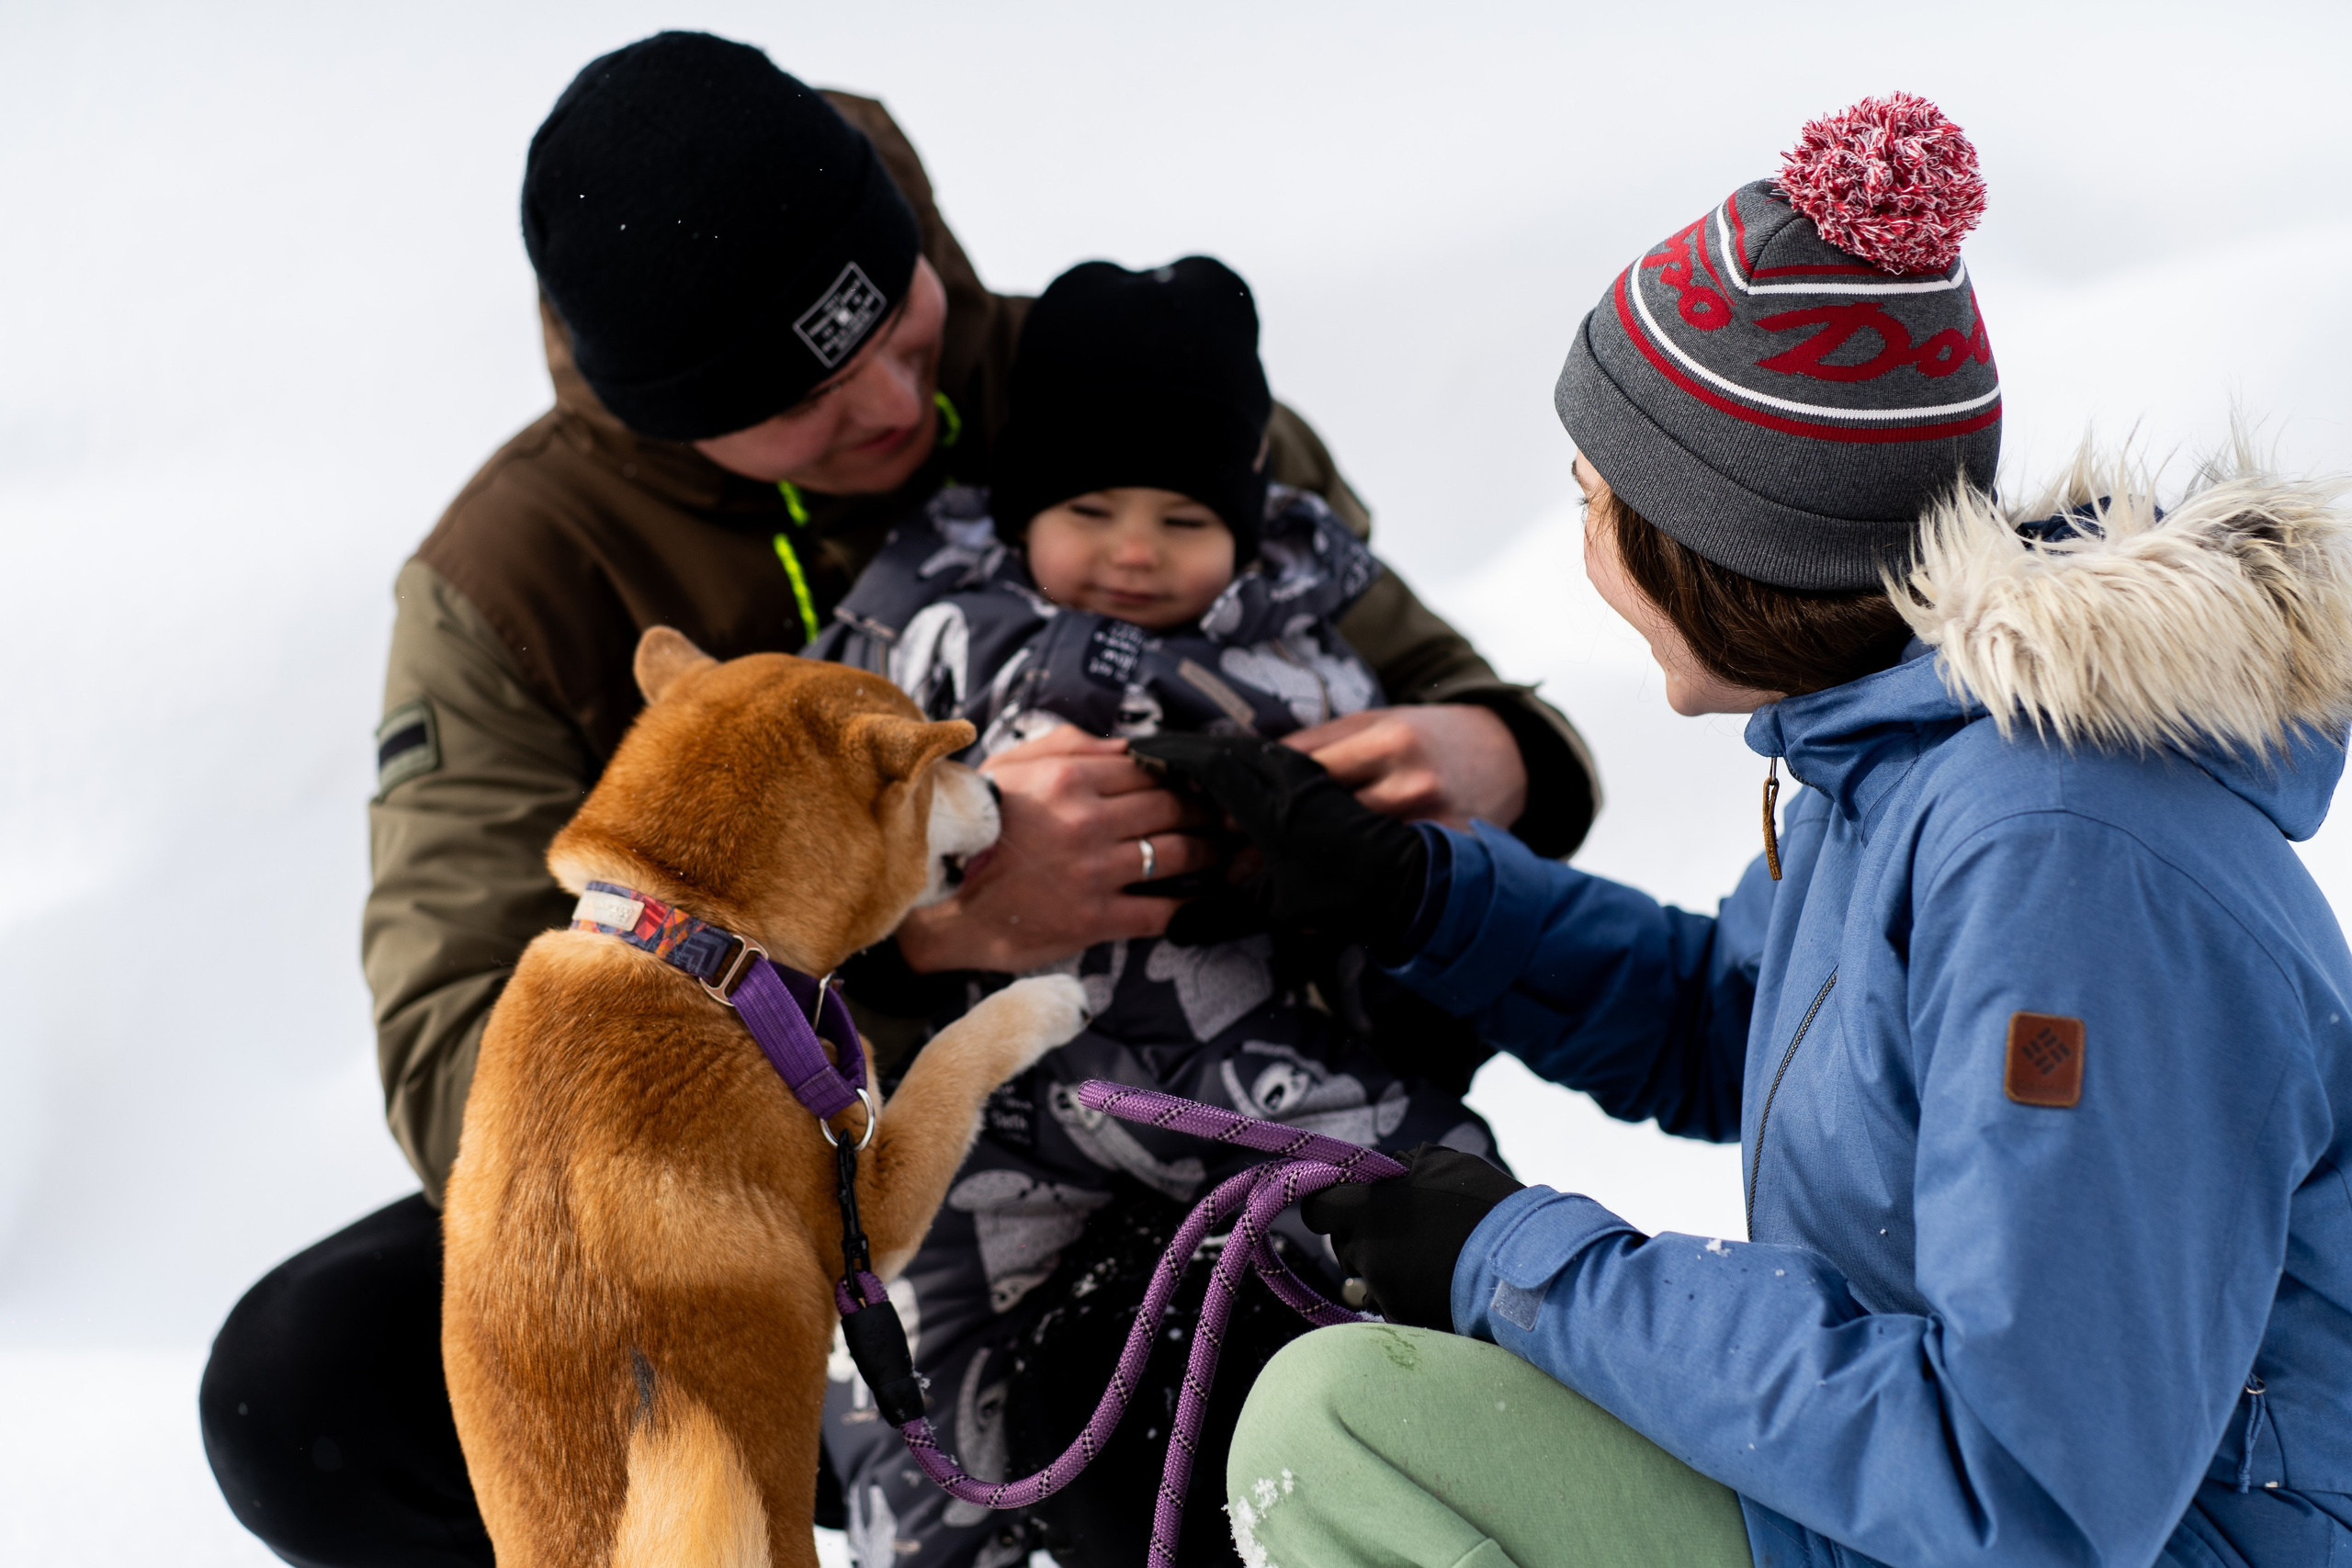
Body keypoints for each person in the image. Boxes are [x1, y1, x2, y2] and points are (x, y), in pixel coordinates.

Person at [196, 30, 1597, 1568]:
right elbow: (461, 1072)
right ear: (673, 415)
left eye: (895, 317)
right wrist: (900, 942)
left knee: (1229, 1407)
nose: (887, 397)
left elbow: (1427, 678)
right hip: (784, 1209)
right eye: (803, 391)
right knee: (310, 1383)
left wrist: (1499, 755)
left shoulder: (1113, 367)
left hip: (1197, 1102)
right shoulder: (522, 580)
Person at [1135, 94, 2352, 1568]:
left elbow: (2032, 1486)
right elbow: (1744, 1023)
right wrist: (1417, 896)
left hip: (2149, 1539)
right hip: (1930, 1497)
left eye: (1595, 498)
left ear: (1722, 542)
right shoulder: (1906, 757)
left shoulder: (2063, 863)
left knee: (1341, 1427)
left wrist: (1519, 1261)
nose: (1583, 541)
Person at [811, 254, 1503, 1567]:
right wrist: (926, 907)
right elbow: (818, 836)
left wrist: (1379, 949)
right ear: (1022, 506)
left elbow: (1387, 852)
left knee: (1437, 1198)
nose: (1134, 550)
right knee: (910, 1364)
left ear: (1243, 523)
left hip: (1237, 1056)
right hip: (1000, 1091)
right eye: (1090, 509)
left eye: (1183, 518)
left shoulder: (1301, 655)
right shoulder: (918, 637)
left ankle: (1527, 1445)